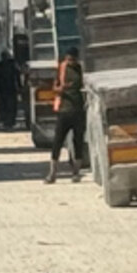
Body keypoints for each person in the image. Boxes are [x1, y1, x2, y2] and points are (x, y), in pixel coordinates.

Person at [49, 48, 88, 184]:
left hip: (78, 110)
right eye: (68, 59)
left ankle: (76, 173)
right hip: (64, 111)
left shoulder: (81, 69)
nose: (70, 61)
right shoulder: (62, 68)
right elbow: (55, 87)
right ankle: (52, 173)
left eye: (72, 59)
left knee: (78, 142)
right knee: (57, 142)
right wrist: (62, 88)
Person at [0, 51, 24, 131]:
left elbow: (17, 76)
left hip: (8, 90)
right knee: (7, 106)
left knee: (8, 106)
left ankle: (9, 121)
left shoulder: (4, 65)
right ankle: (8, 122)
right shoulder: (4, 65)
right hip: (7, 90)